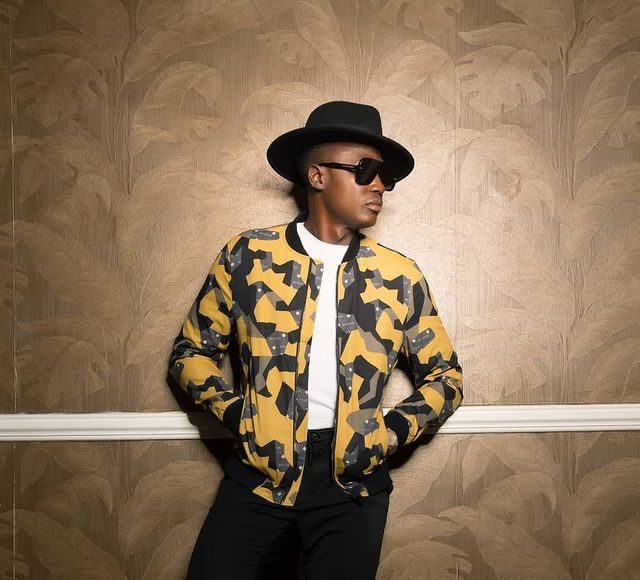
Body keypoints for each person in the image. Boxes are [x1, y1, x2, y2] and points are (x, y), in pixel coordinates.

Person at [167, 100, 463, 580]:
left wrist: (390, 432)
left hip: (353, 488)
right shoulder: (248, 256)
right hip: (259, 477)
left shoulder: (400, 275)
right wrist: (241, 416)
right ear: (317, 176)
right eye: (365, 170)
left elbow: (445, 377)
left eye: (385, 176)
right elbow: (190, 353)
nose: (378, 186)